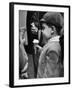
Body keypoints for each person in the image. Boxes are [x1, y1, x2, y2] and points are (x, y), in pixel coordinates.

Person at [36, 12, 64, 78]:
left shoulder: (53, 48)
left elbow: (50, 75)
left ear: (52, 29)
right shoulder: (52, 44)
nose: (42, 31)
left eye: (43, 28)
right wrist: (42, 50)